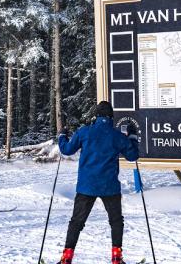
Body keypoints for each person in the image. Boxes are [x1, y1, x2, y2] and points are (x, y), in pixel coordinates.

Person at [56, 101, 139, 264]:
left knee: (76, 222)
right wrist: (132, 137)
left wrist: (62, 136)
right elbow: (132, 156)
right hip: (110, 186)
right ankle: (116, 257)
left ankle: (66, 257)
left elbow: (66, 150)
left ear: (96, 116)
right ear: (111, 117)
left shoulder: (84, 132)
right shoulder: (117, 136)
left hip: (86, 186)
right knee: (116, 221)